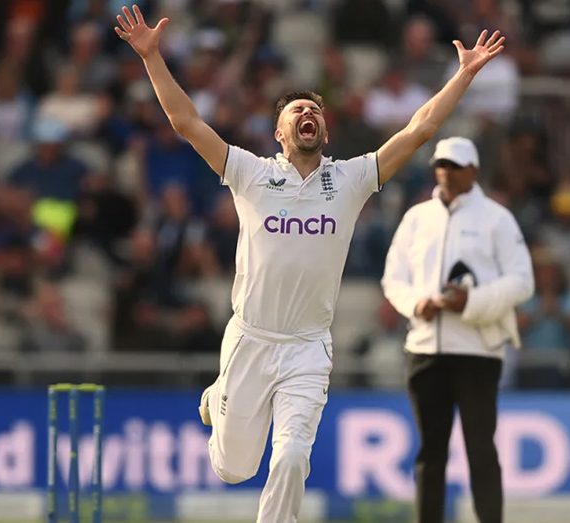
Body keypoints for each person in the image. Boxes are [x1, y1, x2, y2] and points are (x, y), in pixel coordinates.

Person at [114, 5, 506, 522]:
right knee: (233, 469)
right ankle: (220, 396)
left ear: (323, 129)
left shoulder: (350, 180)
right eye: (297, 110)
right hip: (252, 339)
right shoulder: (250, 173)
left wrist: (464, 76)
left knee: (294, 456)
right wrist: (152, 57)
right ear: (278, 132)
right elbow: (185, 122)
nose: (308, 114)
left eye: (315, 111)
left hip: (308, 348)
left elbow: (418, 130)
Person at [382, 137, 533, 523]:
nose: (445, 172)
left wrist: (472, 303)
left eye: (454, 165)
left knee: (480, 449)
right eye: (441, 165)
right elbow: (393, 279)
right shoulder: (417, 218)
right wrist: (419, 304)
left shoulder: (497, 218)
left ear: (474, 171)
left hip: (478, 351)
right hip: (426, 348)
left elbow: (522, 281)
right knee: (430, 452)